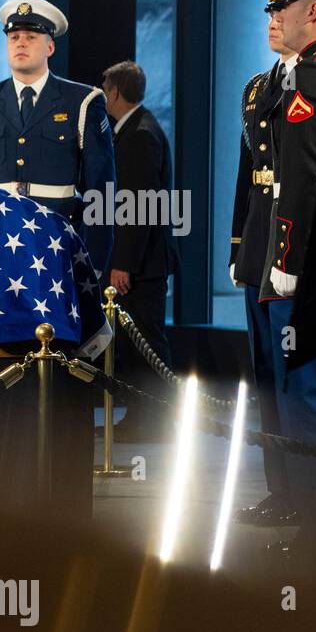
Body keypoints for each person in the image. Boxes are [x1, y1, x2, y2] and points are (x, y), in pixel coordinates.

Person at [242, 0, 316, 547]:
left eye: (286, 5)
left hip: (306, 261)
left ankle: (312, 513)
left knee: (304, 391)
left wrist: (288, 259)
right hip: (287, 253)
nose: (274, 16)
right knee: (280, 386)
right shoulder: (288, 77)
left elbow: (304, 181)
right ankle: (298, 501)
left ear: (314, 8)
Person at [0, 0, 116, 271]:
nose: (21, 43)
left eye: (31, 36)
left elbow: (101, 187)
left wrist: (95, 259)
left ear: (50, 46)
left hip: (59, 239)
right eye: (14, 37)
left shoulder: (82, 100)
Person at [230, 16, 301, 526]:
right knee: (265, 379)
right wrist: (238, 248)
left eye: (284, 13)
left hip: (294, 253)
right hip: (260, 248)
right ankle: (281, 491)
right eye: (269, 15)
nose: (273, 24)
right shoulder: (259, 87)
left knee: (298, 381)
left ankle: (310, 493)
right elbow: (247, 175)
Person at [100, 61, 178, 441]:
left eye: (104, 89)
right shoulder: (133, 129)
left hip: (143, 264)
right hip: (141, 261)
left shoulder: (139, 135)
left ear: (114, 92)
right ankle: (141, 417)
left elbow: (140, 207)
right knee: (135, 345)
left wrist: (123, 264)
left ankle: (155, 421)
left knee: (147, 344)